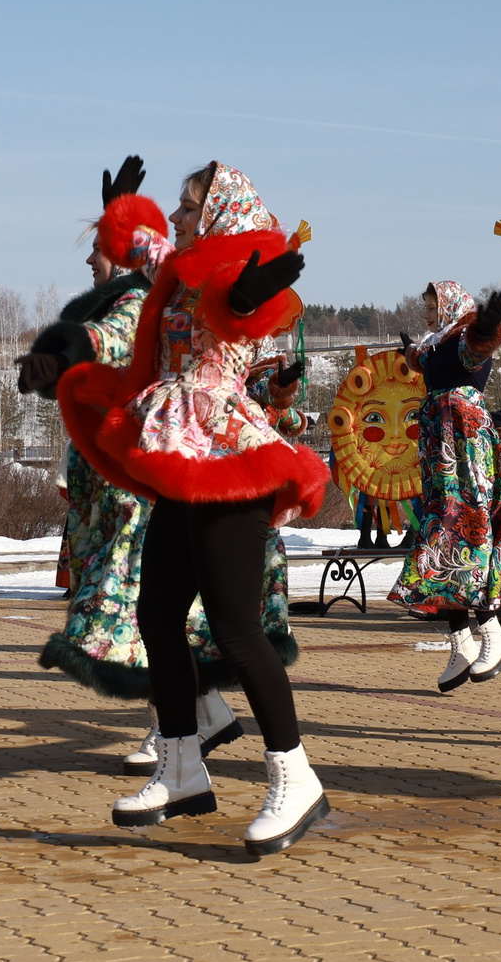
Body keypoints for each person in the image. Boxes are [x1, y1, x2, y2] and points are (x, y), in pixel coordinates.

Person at [58, 161, 331, 856]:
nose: (176, 216)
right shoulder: (180, 265)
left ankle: (293, 775)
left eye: (187, 206)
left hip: (226, 452)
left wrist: (247, 292)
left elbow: (238, 306)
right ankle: (181, 764)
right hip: (177, 447)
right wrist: (121, 211)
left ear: (218, 214)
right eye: (177, 206)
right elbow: (147, 249)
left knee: (238, 630)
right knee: (156, 613)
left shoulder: (234, 266)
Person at [389, 281, 501, 691]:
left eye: (433, 306)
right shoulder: (435, 343)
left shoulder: (463, 338)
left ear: (449, 307)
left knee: (462, 533)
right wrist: (412, 353)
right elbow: (422, 359)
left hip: (464, 452)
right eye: (425, 306)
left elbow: (474, 350)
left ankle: (494, 634)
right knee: (444, 538)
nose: (428, 313)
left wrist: (486, 328)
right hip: (439, 454)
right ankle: (461, 642)